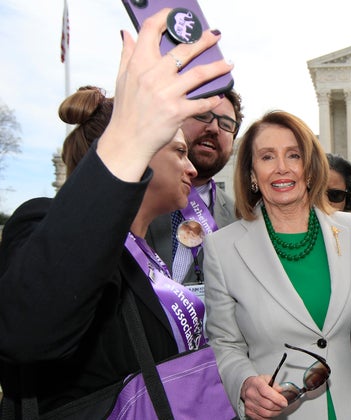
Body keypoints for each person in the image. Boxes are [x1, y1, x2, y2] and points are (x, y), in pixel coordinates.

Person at [0, 11, 233, 417]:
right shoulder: (41, 220)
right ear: (145, 151)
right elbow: (26, 331)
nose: (191, 168)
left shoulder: (147, 255)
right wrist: (128, 137)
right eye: (179, 151)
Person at [203, 111, 351, 419]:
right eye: (267, 157)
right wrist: (244, 384)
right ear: (251, 172)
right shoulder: (222, 248)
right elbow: (225, 343)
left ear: (309, 168)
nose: (282, 167)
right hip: (284, 410)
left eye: (293, 155)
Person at [146, 89, 243, 286]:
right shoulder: (132, 195)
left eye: (226, 124)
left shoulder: (240, 220)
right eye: (203, 115)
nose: (214, 128)